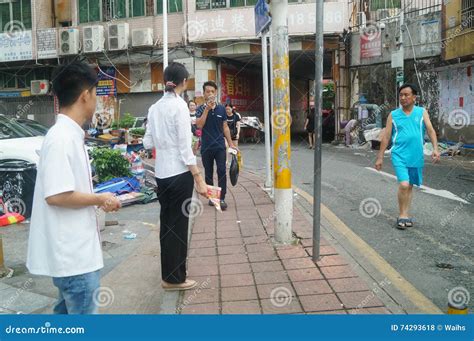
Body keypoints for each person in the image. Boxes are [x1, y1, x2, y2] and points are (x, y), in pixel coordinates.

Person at [26, 61, 122, 314]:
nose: (96, 101)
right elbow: (57, 195)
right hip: (74, 257)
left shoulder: (68, 135)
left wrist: (98, 198)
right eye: (95, 94)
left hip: (75, 253)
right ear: (84, 95)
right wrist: (100, 198)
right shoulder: (61, 138)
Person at [144, 62, 208, 290]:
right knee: (179, 226)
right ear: (184, 82)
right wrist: (199, 178)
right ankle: (175, 278)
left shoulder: (154, 108)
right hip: (180, 174)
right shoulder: (180, 107)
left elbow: (147, 142)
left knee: (167, 225)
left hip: (161, 174)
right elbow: (185, 149)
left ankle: (169, 275)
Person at [375, 83, 440, 230]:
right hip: (399, 155)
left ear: (414, 97)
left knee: (410, 186)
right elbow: (386, 137)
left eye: (406, 95)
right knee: (404, 184)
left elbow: (430, 131)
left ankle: (406, 214)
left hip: (416, 156)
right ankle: (402, 215)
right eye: (401, 95)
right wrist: (380, 157)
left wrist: (435, 149)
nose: (403, 98)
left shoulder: (422, 112)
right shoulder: (394, 115)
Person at [195, 81, 238, 211]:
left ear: (216, 93)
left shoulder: (221, 109)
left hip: (219, 146)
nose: (210, 94)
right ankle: (213, 197)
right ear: (204, 94)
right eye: (207, 91)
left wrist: (230, 144)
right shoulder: (200, 109)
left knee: (221, 171)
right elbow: (199, 125)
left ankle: (222, 198)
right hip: (206, 147)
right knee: (208, 173)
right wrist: (207, 109)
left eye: (212, 92)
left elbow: (225, 127)